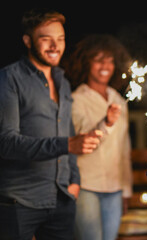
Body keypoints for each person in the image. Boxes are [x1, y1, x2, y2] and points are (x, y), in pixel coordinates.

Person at [0, 8, 102, 240]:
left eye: (60, 39)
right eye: (46, 39)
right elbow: (6, 143)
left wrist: (74, 181)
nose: (55, 46)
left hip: (61, 200)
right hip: (19, 202)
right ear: (27, 41)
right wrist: (66, 145)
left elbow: (70, 134)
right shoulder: (9, 78)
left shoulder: (63, 82)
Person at [65, 34, 133, 240]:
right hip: (86, 186)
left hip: (115, 187)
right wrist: (107, 123)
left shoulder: (119, 100)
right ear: (87, 63)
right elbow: (82, 142)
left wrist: (126, 189)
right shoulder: (76, 100)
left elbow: (124, 147)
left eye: (110, 60)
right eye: (98, 59)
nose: (105, 65)